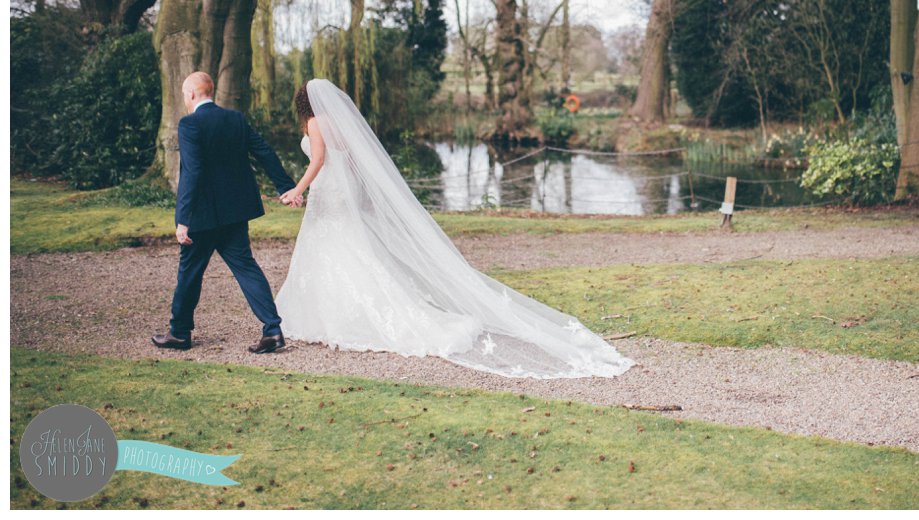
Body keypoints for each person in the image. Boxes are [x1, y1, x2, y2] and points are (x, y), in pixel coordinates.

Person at [273, 78, 634, 379]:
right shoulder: (338, 123)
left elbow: (318, 159)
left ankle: (334, 315)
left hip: (328, 190)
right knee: (348, 247)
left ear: (302, 102)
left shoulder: (316, 122)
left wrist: (298, 189)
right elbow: (349, 160)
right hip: (338, 189)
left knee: (334, 247)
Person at [152, 71, 300, 354]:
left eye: (184, 94)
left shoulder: (189, 124)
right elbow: (264, 152)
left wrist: (183, 219)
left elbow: (192, 172)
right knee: (246, 268)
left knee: (190, 272)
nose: (184, 99)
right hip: (234, 214)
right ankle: (273, 330)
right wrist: (285, 187)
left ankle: (180, 333)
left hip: (203, 217)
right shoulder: (235, 119)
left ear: (192, 94)